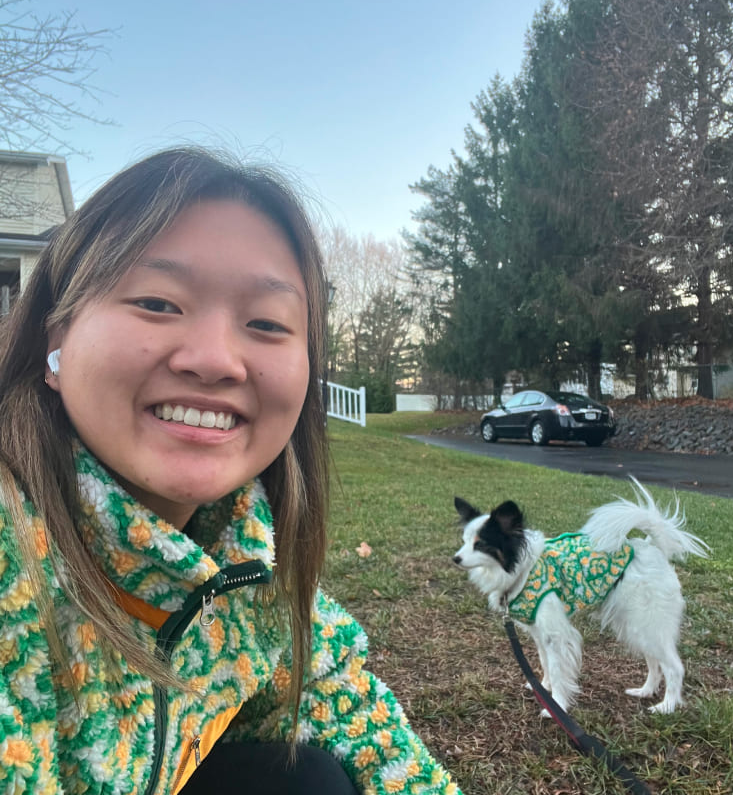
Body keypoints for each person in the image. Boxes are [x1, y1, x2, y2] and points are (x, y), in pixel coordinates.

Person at [0, 148, 462, 795]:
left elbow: (354, 718)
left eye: (267, 323)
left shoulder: (244, 562)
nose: (217, 360)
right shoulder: (11, 546)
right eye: (158, 303)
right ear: (56, 342)